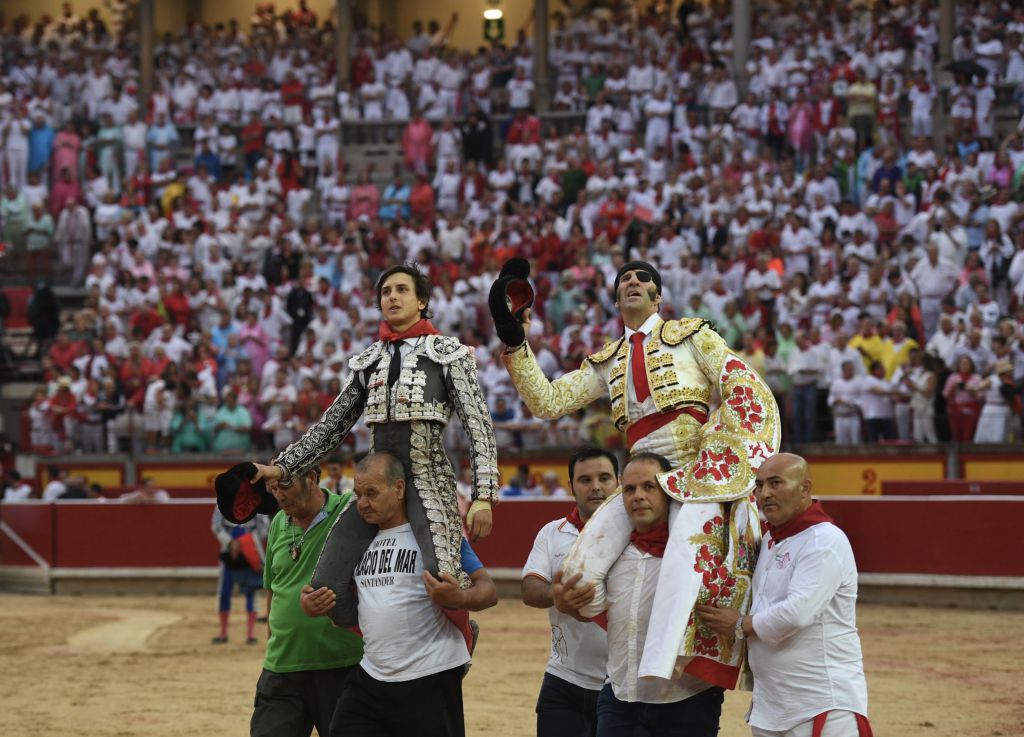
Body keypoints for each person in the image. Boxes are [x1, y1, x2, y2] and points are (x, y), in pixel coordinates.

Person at [494, 259, 779, 688]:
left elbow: (740, 382)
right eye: (624, 279)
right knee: (580, 571)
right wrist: (514, 338)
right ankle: (635, 649)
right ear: (614, 299)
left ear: (658, 296)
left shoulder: (693, 336)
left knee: (691, 562)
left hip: (693, 475)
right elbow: (547, 402)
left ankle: (673, 667)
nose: (632, 281)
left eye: (642, 278)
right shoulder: (609, 361)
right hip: (639, 480)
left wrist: (723, 451)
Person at [252, 264, 499, 624]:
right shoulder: (369, 362)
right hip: (374, 487)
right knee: (325, 586)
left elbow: (478, 425)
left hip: (427, 482)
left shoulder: (448, 353)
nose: (392, 297)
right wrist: (281, 467)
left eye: (401, 290)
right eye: (386, 292)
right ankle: (374, 648)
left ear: (422, 301)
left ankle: (463, 639)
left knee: (444, 579)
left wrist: (483, 496)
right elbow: (332, 425)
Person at [300, 453, 498, 737]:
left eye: (372, 493)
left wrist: (459, 598)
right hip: (371, 673)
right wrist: (312, 605)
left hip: (432, 674)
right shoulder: (356, 543)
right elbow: (340, 602)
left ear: (399, 488)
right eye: (358, 494)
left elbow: (488, 591)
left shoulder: (437, 536)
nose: (363, 504)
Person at [697, 453, 872, 737]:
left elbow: (797, 613)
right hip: (772, 703)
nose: (765, 493)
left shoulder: (824, 540)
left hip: (821, 703)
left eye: (776, 483)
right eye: (760, 485)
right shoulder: (769, 540)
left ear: (805, 488)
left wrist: (740, 624)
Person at [552, 453, 725, 737]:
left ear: (668, 491)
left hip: (686, 697)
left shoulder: (698, 554)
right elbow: (597, 611)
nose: (638, 496)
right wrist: (566, 604)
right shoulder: (611, 556)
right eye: (630, 489)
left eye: (649, 487)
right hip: (621, 693)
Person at [250, 466, 362, 737]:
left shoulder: (350, 511)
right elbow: (273, 590)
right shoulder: (279, 522)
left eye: (284, 486)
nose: (279, 496)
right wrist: (272, 647)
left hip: (342, 665)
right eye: (273, 489)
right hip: (282, 669)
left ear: (311, 478)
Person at [522, 447, 617, 737]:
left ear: (619, 482)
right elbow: (529, 588)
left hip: (620, 685)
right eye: (585, 480)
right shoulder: (553, 533)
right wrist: (556, 595)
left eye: (604, 478)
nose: (596, 487)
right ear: (571, 487)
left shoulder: (640, 536)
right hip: (564, 678)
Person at [212, 507, 268, 646]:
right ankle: (223, 632)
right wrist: (230, 542)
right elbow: (216, 525)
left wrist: (245, 541)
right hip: (228, 549)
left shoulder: (256, 501)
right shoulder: (223, 501)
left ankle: (251, 634)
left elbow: (264, 526)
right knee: (224, 591)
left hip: (250, 548)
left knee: (252, 589)